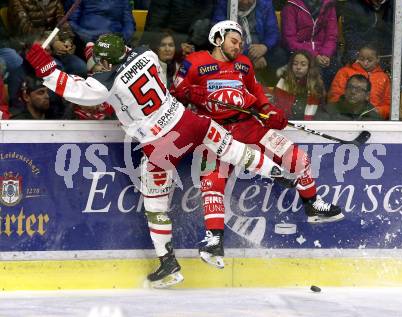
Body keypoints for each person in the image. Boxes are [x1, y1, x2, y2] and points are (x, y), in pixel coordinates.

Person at [25, 33, 295, 288]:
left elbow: (73, 89)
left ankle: (168, 264)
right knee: (232, 148)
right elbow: (122, 54)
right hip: (188, 121)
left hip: (160, 144)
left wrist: (45, 67)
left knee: (156, 206)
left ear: (106, 61)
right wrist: (100, 51)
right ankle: (277, 171)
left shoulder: (105, 83)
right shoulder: (148, 55)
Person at [172, 20, 343, 269]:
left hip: (248, 125)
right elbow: (175, 90)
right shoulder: (195, 61)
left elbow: (256, 92)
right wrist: (191, 93)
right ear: (218, 38)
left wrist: (268, 110)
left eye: (241, 42)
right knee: (212, 182)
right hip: (215, 132)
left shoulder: (243, 63)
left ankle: (312, 203)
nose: (238, 45)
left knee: (296, 158)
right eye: (234, 40)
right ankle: (214, 239)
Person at [328, 42, 391, 120]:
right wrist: (346, 110)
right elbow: (335, 96)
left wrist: (379, 111)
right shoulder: (344, 72)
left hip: (373, 119)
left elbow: (389, 104)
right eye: (362, 59)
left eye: (370, 60)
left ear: (377, 59)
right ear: (357, 57)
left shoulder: (384, 77)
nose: (365, 63)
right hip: (346, 116)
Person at [272, 50, 325, 120]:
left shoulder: (316, 86)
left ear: (309, 67)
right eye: (295, 64)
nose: (298, 67)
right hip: (285, 124)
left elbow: (320, 112)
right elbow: (276, 108)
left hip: (310, 126)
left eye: (303, 64)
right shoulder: (283, 82)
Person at [315, 74, 381, 121]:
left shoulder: (373, 116)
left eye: (359, 89)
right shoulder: (328, 111)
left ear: (367, 95)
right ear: (345, 90)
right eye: (350, 87)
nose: (353, 92)